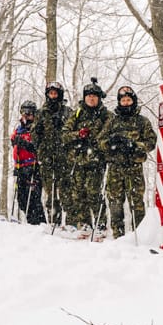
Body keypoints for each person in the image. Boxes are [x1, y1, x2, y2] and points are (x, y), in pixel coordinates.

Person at [98, 86, 157, 238]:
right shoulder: (112, 121)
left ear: (133, 101)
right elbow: (100, 141)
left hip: (134, 167)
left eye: (128, 100)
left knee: (137, 203)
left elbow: (151, 142)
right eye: (123, 100)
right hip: (115, 168)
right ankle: (119, 235)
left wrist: (135, 145)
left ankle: (140, 234)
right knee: (115, 202)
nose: (125, 103)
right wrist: (111, 144)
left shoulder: (142, 121)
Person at [62, 78, 110, 232]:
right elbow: (64, 135)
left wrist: (95, 143)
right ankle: (84, 223)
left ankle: (100, 223)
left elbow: (108, 134)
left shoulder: (106, 115)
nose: (91, 98)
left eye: (94, 96)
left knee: (94, 193)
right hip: (78, 160)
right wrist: (78, 136)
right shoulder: (77, 114)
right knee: (78, 194)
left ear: (99, 98)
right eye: (88, 95)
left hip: (96, 161)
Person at [33, 81, 73, 226]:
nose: (53, 96)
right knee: (51, 192)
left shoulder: (68, 112)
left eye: (55, 93)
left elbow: (72, 131)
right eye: (51, 93)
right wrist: (38, 136)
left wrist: (62, 126)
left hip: (64, 157)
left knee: (66, 191)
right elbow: (34, 135)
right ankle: (53, 221)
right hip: (47, 157)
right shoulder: (41, 112)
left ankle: (70, 223)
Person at [10, 100, 44, 225]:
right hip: (20, 167)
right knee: (22, 199)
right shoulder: (19, 129)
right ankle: (32, 221)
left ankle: (38, 222)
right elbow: (13, 141)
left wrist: (25, 144)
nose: (26, 116)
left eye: (29, 114)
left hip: (33, 166)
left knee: (34, 198)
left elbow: (38, 146)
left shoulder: (36, 128)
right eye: (24, 113)